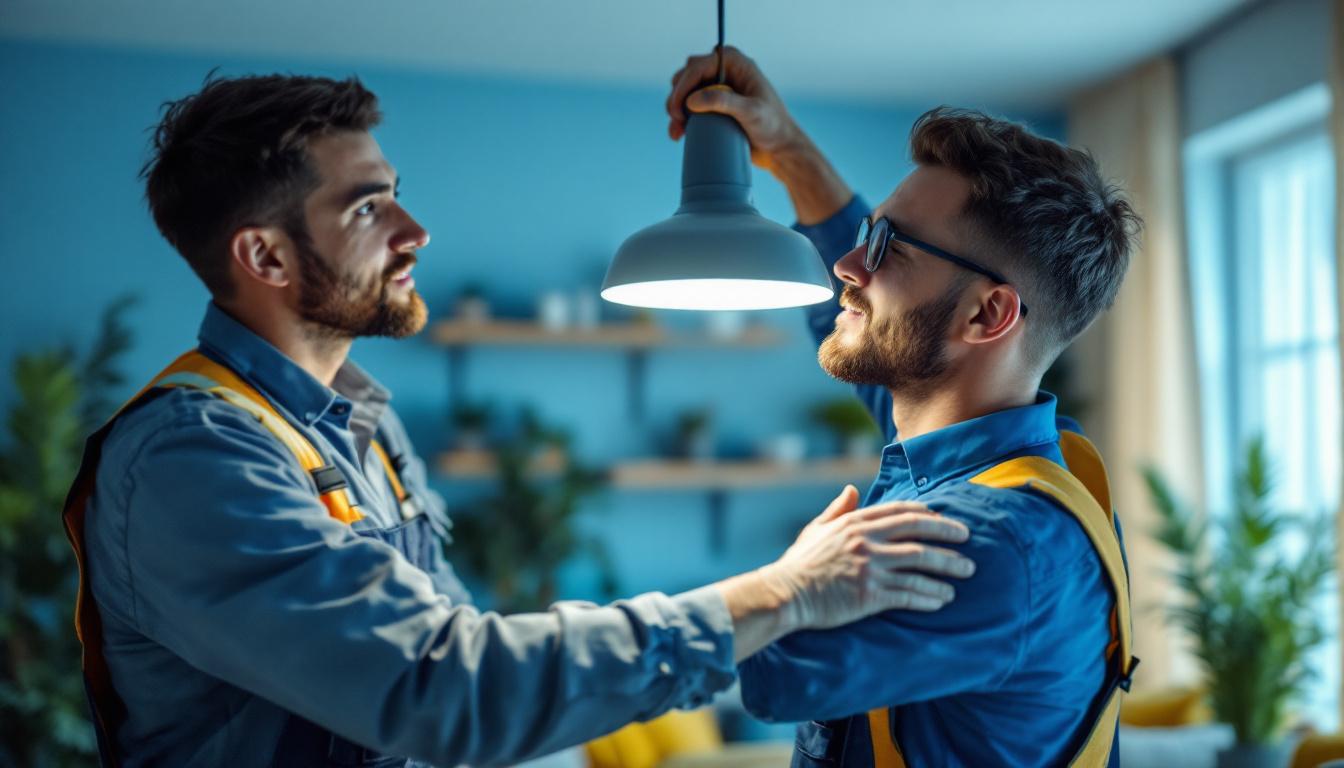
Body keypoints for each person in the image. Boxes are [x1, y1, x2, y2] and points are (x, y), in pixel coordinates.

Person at [61, 73, 982, 768]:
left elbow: (461, 665)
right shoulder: (194, 457)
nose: (415, 229)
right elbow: (446, 688)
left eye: (396, 191)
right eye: (369, 207)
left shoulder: (359, 424)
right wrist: (787, 591)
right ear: (263, 254)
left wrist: (785, 155)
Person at [665, 48, 1142, 766]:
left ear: (986, 316)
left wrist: (791, 584)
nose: (848, 267)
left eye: (889, 246)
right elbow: (865, 317)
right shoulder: (989, 457)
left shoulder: (979, 542)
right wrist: (786, 146)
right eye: (868, 236)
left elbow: (774, 669)